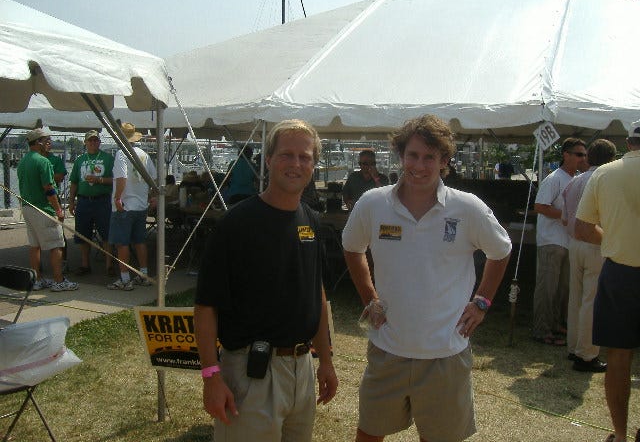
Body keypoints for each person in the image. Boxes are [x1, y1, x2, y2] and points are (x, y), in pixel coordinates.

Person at [342, 115, 511, 442]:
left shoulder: (467, 208)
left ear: (444, 160)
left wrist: (482, 302)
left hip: (445, 354)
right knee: (368, 434)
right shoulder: (373, 203)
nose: (419, 165)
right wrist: (369, 299)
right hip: (388, 349)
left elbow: (500, 251)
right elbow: (352, 248)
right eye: (413, 155)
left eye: (429, 157)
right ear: (401, 155)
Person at [194, 119, 338, 442]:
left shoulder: (312, 222)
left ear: (314, 164)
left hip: (303, 370)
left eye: (305, 156)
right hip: (250, 373)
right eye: (287, 154)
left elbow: (317, 294)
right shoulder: (236, 224)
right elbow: (206, 307)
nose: (296, 163)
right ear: (268, 160)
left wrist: (325, 360)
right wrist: (211, 376)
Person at [575, 121, 640, 442]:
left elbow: (583, 229)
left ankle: (619, 433)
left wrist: (614, 237)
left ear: (629, 143)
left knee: (617, 357)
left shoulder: (605, 173)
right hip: (622, 269)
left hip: (620, 271)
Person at [561, 139, 617, 372]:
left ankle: (574, 347)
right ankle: (586, 354)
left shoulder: (574, 182)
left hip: (575, 242)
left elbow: (564, 218)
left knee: (576, 297)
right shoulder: (605, 181)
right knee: (591, 301)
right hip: (596, 242)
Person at [532, 137, 588, 345]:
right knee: (547, 288)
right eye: (579, 154)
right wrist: (565, 215)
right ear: (566, 155)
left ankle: (555, 325)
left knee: (562, 289)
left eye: (585, 155)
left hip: (567, 241)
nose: (583, 158)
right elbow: (540, 206)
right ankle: (541, 330)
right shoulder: (554, 178)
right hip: (551, 241)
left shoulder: (578, 178)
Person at [17, 128, 78, 291]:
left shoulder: (23, 161)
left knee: (34, 245)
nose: (49, 144)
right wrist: (58, 210)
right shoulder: (43, 161)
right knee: (56, 244)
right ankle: (58, 281)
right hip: (43, 209)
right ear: (38, 142)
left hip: (27, 208)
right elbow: (49, 189)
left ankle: (37, 279)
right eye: (47, 141)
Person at [107, 122, 156, 291]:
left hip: (125, 205)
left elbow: (122, 177)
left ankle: (125, 278)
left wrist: (117, 197)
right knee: (140, 241)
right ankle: (143, 274)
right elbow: (153, 177)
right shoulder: (144, 154)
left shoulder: (121, 153)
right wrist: (151, 196)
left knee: (122, 243)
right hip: (140, 204)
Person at [68, 130, 115, 276]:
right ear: (85, 143)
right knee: (82, 234)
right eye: (90, 141)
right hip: (83, 201)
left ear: (99, 142)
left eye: (96, 140)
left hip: (102, 201)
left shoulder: (108, 159)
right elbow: (74, 182)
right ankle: (85, 264)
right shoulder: (80, 160)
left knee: (107, 234)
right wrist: (71, 201)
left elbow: (116, 180)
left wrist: (99, 180)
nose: (93, 143)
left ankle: (109, 265)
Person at [43, 140, 69, 272]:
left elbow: (60, 176)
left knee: (59, 232)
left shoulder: (55, 160)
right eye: (44, 142)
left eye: (49, 142)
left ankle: (63, 261)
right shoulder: (35, 159)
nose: (48, 144)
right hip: (38, 200)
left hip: (54, 197)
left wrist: (45, 178)